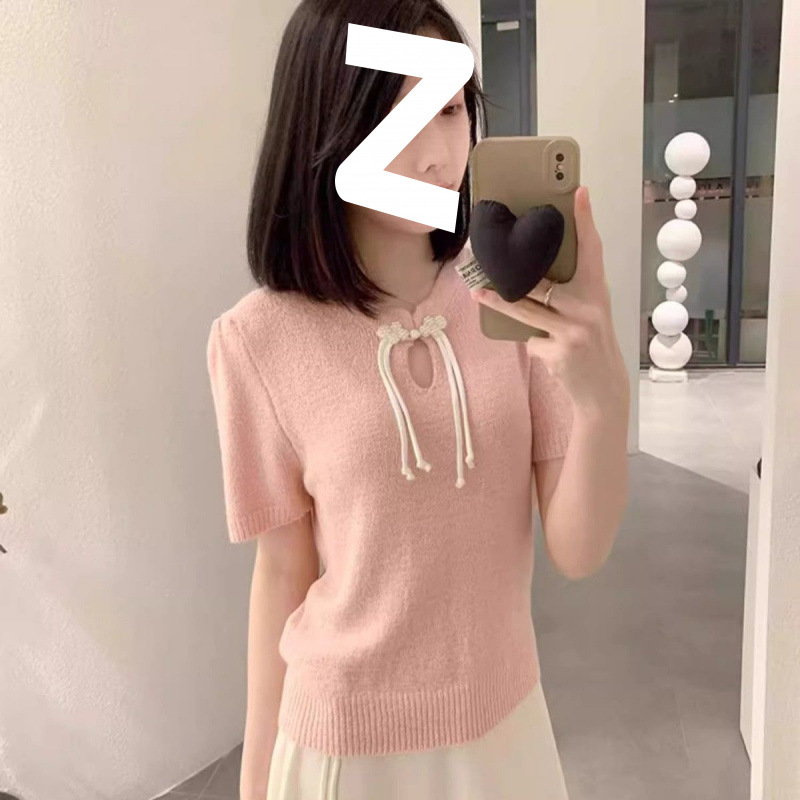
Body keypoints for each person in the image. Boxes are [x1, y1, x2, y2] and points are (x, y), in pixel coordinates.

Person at [205, 1, 630, 798]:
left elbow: (578, 551)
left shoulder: (513, 298)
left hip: (504, 730)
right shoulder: (255, 341)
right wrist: (256, 781)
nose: (439, 153)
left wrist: (604, 400)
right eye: (398, 116)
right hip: (341, 747)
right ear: (327, 125)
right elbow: (283, 573)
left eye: (449, 108)